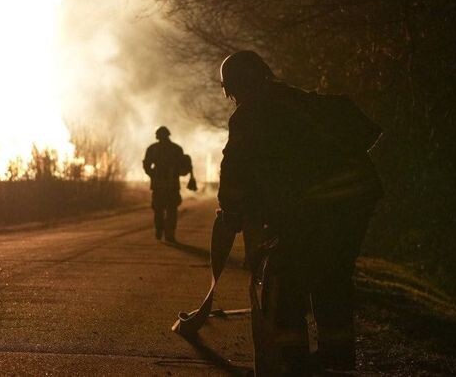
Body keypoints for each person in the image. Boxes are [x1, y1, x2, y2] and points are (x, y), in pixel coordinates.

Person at [217, 50, 383, 375]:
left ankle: (290, 359)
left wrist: (232, 212)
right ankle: (337, 358)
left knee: (284, 273)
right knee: (331, 273)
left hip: (318, 202)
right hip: (357, 197)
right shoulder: (300, 101)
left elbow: (234, 172)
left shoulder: (250, 115)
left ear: (235, 86)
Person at [143, 126, 192, 242]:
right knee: (171, 211)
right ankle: (169, 234)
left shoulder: (153, 148)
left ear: (158, 136)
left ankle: (160, 229)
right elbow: (183, 167)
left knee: (159, 210)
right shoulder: (176, 149)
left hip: (159, 185)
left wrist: (152, 174)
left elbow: (146, 165)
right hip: (172, 185)